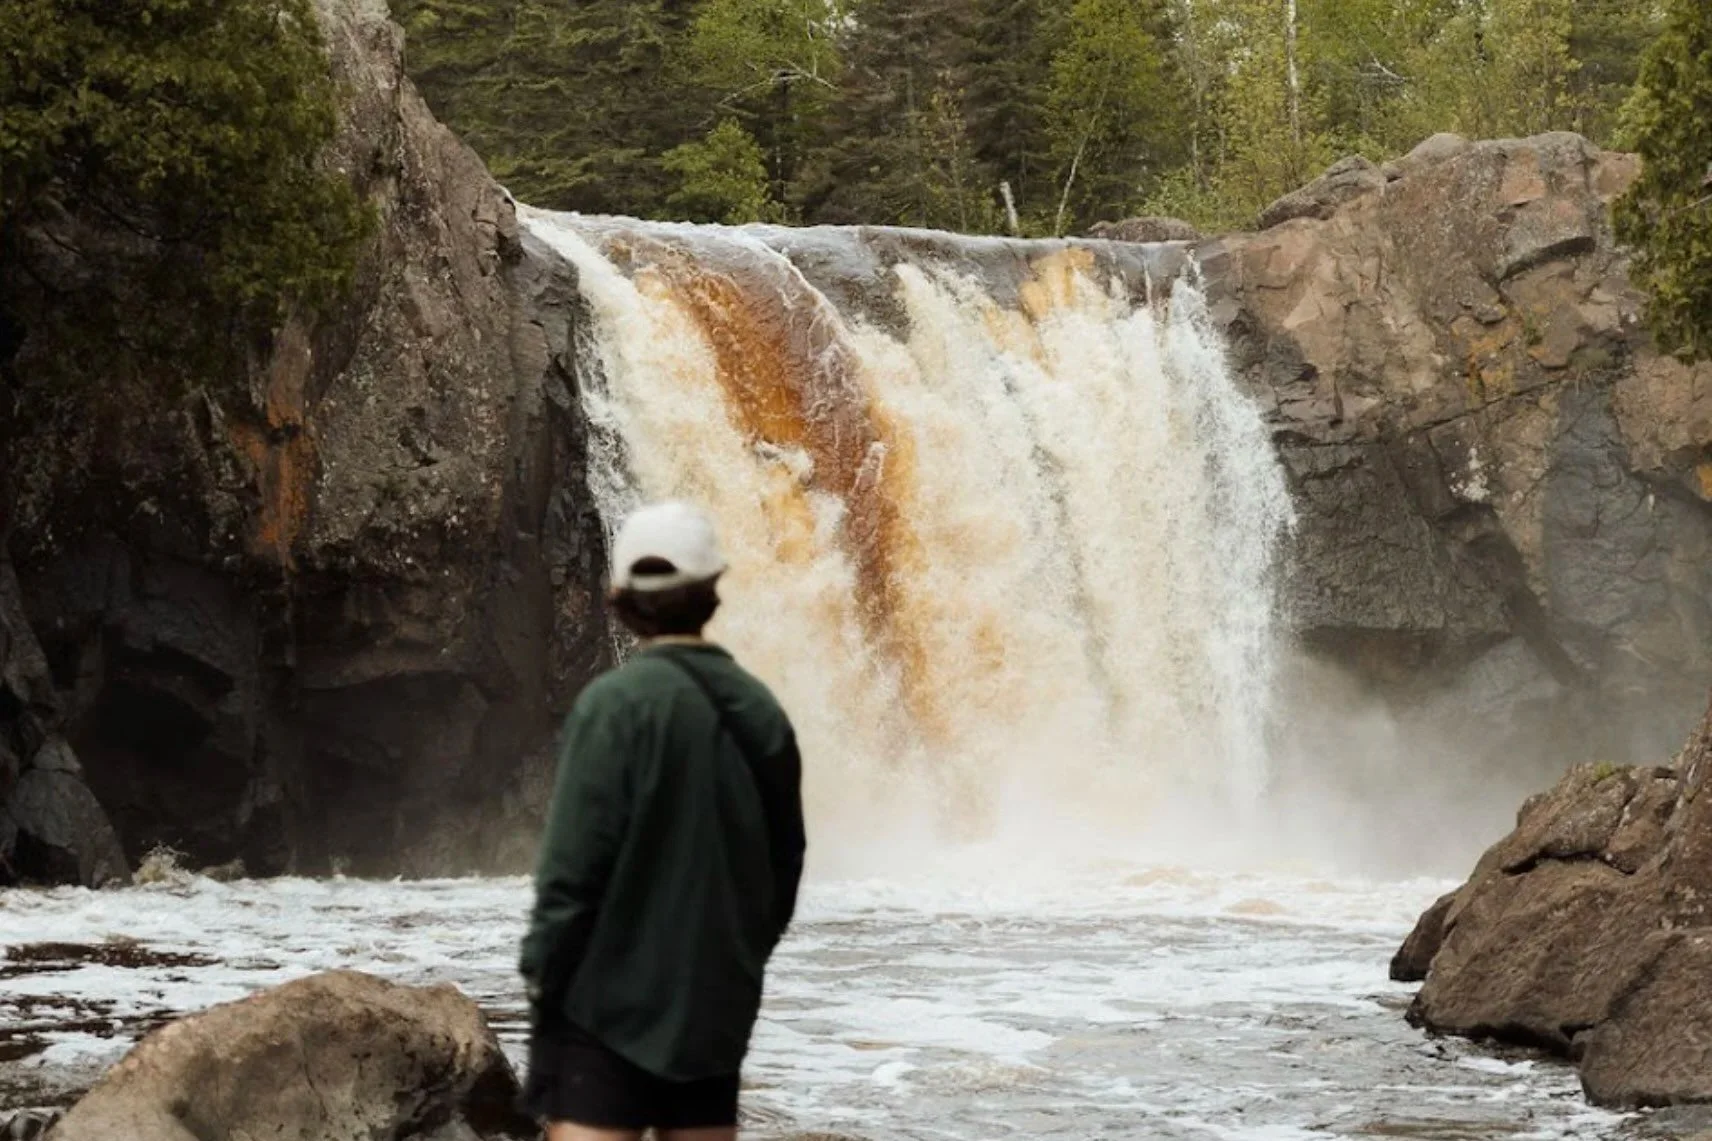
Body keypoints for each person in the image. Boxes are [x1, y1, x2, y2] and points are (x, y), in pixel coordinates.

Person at [519, 501, 807, 1141]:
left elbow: (570, 876)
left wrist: (543, 980)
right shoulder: (761, 712)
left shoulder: (612, 707)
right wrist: (734, 965)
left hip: (604, 1012)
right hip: (713, 1011)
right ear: (711, 592)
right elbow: (784, 869)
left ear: (619, 598)